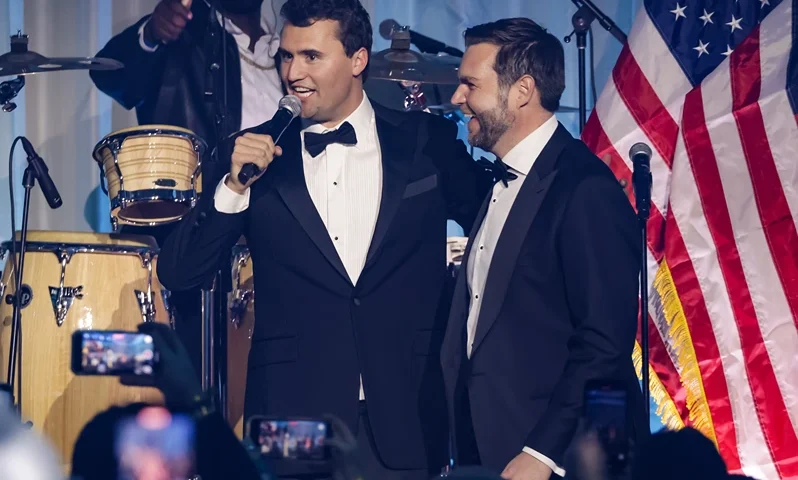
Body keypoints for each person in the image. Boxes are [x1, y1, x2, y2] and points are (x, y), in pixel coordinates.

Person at [157, 0, 493, 478]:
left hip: (405, 415)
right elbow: (180, 272)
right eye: (286, 56)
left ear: (358, 60)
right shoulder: (251, 154)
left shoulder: (426, 142)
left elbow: (496, 221)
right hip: (291, 419)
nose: (293, 72)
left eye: (312, 56)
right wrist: (232, 188)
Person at [439, 18, 648, 480]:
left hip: (562, 459)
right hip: (488, 446)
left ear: (522, 91)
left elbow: (604, 341)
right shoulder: (500, 177)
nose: (457, 97)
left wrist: (541, 452)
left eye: (469, 84)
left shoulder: (584, 188)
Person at [89, 0, 287, 373]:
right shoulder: (186, 37)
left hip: (277, 232)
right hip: (200, 225)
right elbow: (110, 74)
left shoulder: (288, 42)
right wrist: (151, 34)